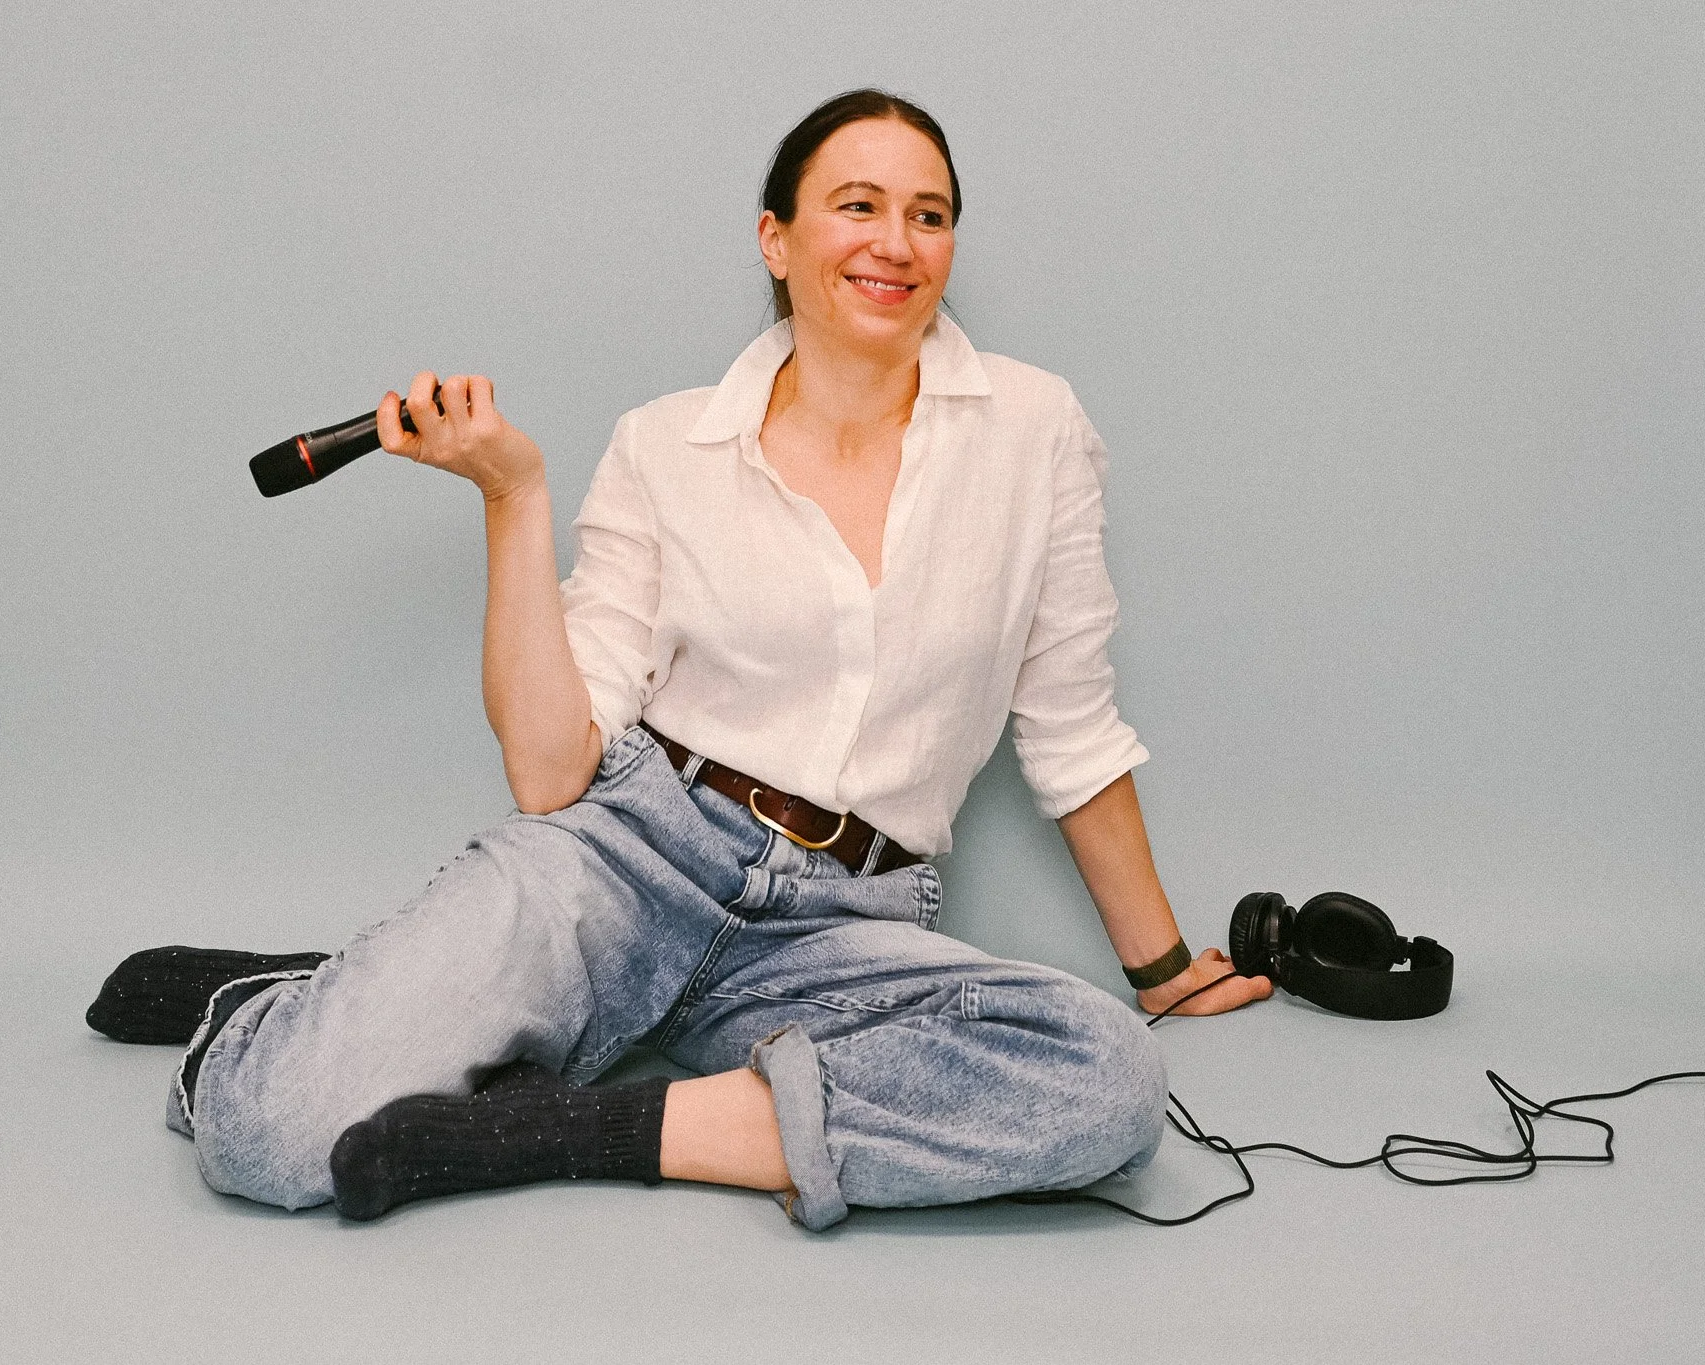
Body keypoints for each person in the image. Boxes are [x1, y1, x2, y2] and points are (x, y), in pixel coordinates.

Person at [89, 88, 1273, 1230]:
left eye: (929, 214)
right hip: (631, 858)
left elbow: (1066, 722)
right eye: (856, 205)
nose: (896, 243)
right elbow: (551, 775)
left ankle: (565, 1124)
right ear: (776, 236)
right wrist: (513, 496)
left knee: (1109, 1082)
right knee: (270, 1136)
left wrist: (1161, 969)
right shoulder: (662, 445)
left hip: (841, 926)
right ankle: (312, 1002)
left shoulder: (1034, 429)